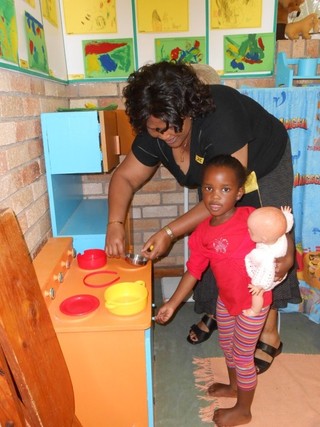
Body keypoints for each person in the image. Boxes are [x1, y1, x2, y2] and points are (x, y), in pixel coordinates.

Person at [105, 61, 301, 374]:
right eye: (157, 129)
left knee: (261, 245)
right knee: (214, 239)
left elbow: (224, 200)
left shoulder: (221, 117)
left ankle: (269, 334)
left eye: (174, 125)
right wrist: (114, 223)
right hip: (220, 178)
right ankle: (216, 310)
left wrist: (169, 232)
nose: (167, 135)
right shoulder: (153, 131)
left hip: (263, 164)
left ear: (190, 110)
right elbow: (124, 178)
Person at [155, 155, 272, 427]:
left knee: (243, 356)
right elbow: (194, 271)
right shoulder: (201, 233)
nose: (215, 196)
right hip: (226, 301)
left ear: (240, 192)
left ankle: (244, 409)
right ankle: (234, 387)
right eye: (208, 188)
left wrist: (287, 260)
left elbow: (280, 236)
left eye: (225, 189)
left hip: (252, 304)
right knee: (227, 346)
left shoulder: (251, 218)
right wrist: (172, 303)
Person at [244, 206, 294, 317]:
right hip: (274, 266)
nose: (248, 231)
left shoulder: (265, 255)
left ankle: (255, 310)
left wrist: (258, 285)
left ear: (264, 239)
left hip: (269, 275)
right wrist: (286, 215)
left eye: (251, 232)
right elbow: (287, 225)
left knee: (258, 294)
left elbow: (265, 272)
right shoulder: (279, 232)